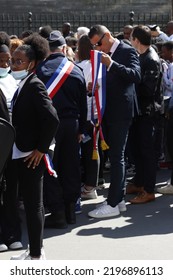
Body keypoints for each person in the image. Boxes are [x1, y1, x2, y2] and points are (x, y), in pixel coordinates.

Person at [6, 40, 59, 260]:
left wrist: (40, 149)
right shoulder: (24, 83)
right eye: (13, 60)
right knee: (29, 203)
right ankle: (36, 250)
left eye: (19, 61)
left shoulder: (34, 84)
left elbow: (52, 119)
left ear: (31, 64)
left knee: (33, 204)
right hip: (23, 150)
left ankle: (36, 256)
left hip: (31, 154)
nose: (14, 65)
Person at [87, 25, 141, 218]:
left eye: (99, 43)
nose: (98, 48)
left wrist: (111, 65)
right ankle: (118, 199)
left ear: (107, 35)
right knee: (117, 157)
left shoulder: (126, 50)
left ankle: (112, 204)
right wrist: (94, 86)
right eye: (95, 45)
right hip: (109, 111)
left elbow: (136, 76)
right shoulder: (104, 53)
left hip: (122, 112)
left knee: (117, 157)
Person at [36, 30, 87, 228]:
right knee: (71, 167)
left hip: (50, 127)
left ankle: (57, 212)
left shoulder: (40, 70)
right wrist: (81, 129)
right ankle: (70, 211)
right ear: (64, 48)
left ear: (48, 50)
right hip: (72, 124)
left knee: (51, 168)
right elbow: (83, 105)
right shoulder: (76, 70)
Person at [126, 25, 164, 203]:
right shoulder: (141, 56)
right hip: (139, 111)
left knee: (147, 152)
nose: (129, 40)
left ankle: (148, 190)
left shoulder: (151, 59)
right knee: (138, 150)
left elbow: (148, 89)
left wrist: (130, 85)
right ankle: (139, 182)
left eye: (131, 37)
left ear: (136, 40)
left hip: (148, 112)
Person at [77, 34, 99, 200]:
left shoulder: (81, 67)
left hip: (86, 115)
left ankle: (89, 187)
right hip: (96, 114)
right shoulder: (96, 66)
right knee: (93, 151)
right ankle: (91, 185)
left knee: (88, 152)